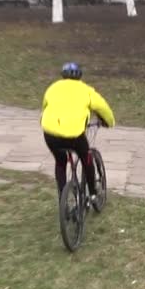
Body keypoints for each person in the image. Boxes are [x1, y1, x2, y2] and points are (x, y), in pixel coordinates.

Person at [41, 62, 116, 202]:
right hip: (74, 135)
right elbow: (102, 107)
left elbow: (45, 105)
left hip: (50, 134)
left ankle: (62, 197)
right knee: (86, 158)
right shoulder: (86, 90)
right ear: (80, 76)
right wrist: (109, 122)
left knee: (60, 161)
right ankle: (93, 194)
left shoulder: (52, 88)